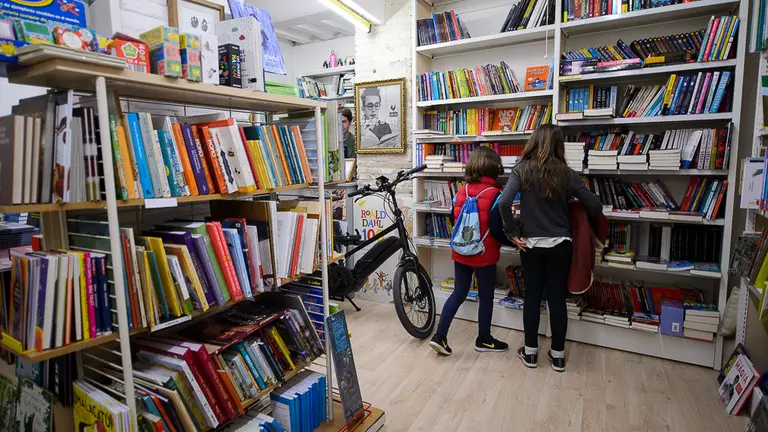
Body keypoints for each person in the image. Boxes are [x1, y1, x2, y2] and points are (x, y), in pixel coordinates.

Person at [499, 124, 602, 372]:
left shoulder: (521, 170)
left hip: (530, 244)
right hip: (561, 245)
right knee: (556, 298)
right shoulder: (567, 173)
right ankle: (557, 357)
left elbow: (504, 203)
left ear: (533, 141)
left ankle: (531, 353)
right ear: (559, 144)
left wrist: (512, 233)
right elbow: (595, 206)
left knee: (533, 296)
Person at [429, 146, 514, 356]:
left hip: (461, 251)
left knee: (459, 292)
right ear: (494, 167)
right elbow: (495, 228)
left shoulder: (461, 191)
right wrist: (511, 241)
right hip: (484, 254)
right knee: (486, 296)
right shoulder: (495, 194)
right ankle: (483, 339)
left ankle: (440, 336)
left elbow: (452, 218)